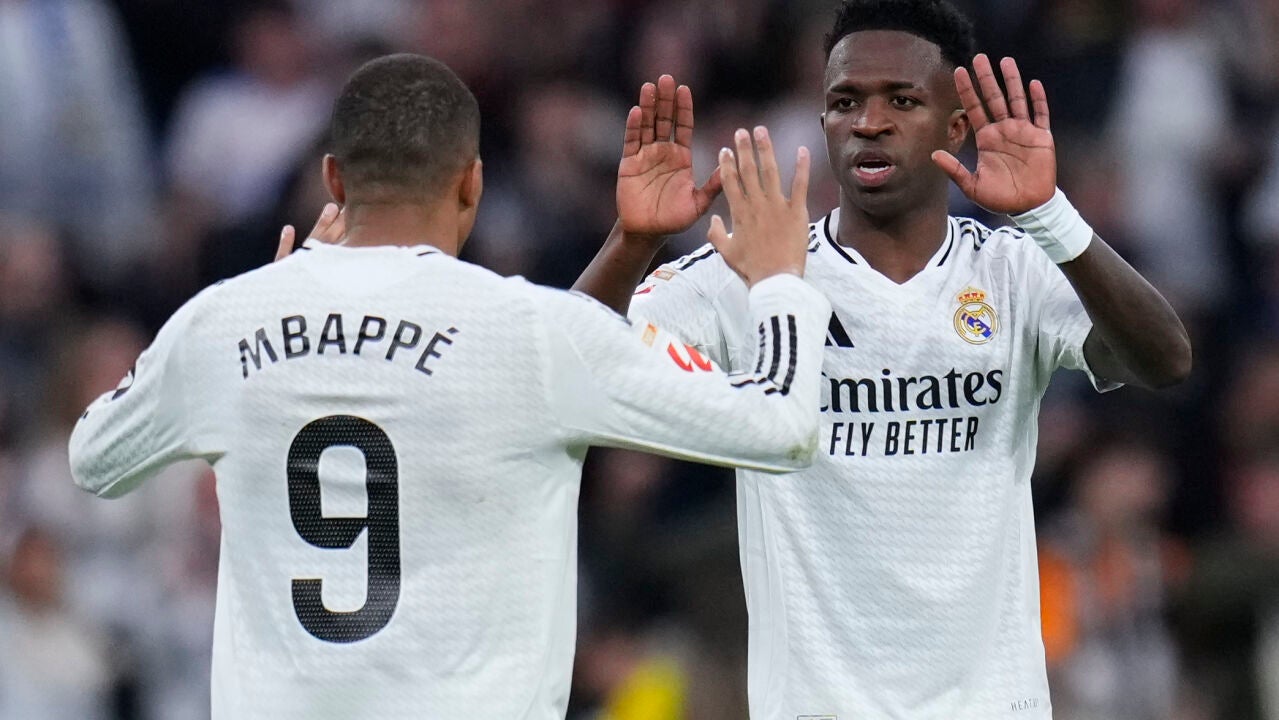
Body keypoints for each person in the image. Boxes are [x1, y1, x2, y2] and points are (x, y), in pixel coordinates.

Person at [68, 53, 831, 720]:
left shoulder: (221, 323)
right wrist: (778, 281)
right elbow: (779, 428)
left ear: (332, 177)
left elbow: (94, 458)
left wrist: (267, 302)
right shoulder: (527, 332)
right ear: (472, 182)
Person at [572, 1, 1193, 718]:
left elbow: (1165, 359)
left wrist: (1049, 214)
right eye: (845, 102)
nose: (869, 121)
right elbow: (568, 366)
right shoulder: (756, 270)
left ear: (955, 126)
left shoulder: (1012, 269)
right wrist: (631, 242)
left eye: (902, 100)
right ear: (823, 122)